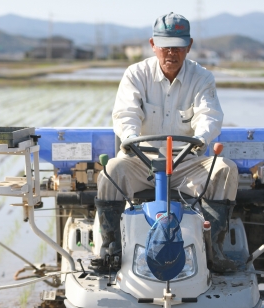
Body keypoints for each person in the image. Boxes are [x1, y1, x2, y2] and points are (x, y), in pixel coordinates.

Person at [95, 12, 240, 273]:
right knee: (111, 171)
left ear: (189, 46)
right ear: (153, 45)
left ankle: (213, 250)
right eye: (165, 46)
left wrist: (200, 137)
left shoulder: (202, 78)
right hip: (142, 162)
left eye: (178, 46)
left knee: (224, 168)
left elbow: (209, 115)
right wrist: (130, 138)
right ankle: (111, 248)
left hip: (185, 163)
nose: (171, 53)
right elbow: (126, 114)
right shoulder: (136, 74)